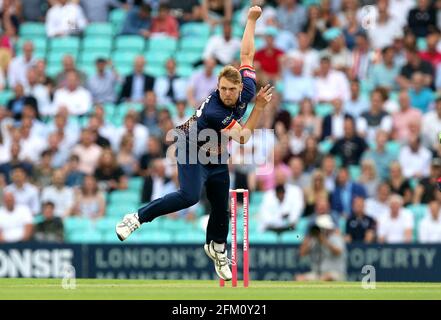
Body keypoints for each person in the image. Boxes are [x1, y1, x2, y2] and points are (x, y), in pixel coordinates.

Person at [115, 6, 271, 282]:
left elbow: (246, 54)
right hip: (189, 146)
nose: (225, 93)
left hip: (214, 151)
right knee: (188, 196)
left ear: (239, 89)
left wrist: (250, 20)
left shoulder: (246, 86)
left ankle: (217, 248)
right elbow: (245, 137)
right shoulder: (216, 110)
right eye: (221, 88)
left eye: (230, 90)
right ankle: (136, 218)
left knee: (222, 206)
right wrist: (258, 108)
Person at [296, 214, 346, 281]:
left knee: (327, 277)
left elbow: (338, 252)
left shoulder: (336, 237)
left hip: (336, 273)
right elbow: (302, 253)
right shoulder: (314, 240)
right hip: (318, 273)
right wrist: (308, 239)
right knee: (299, 279)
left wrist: (324, 241)